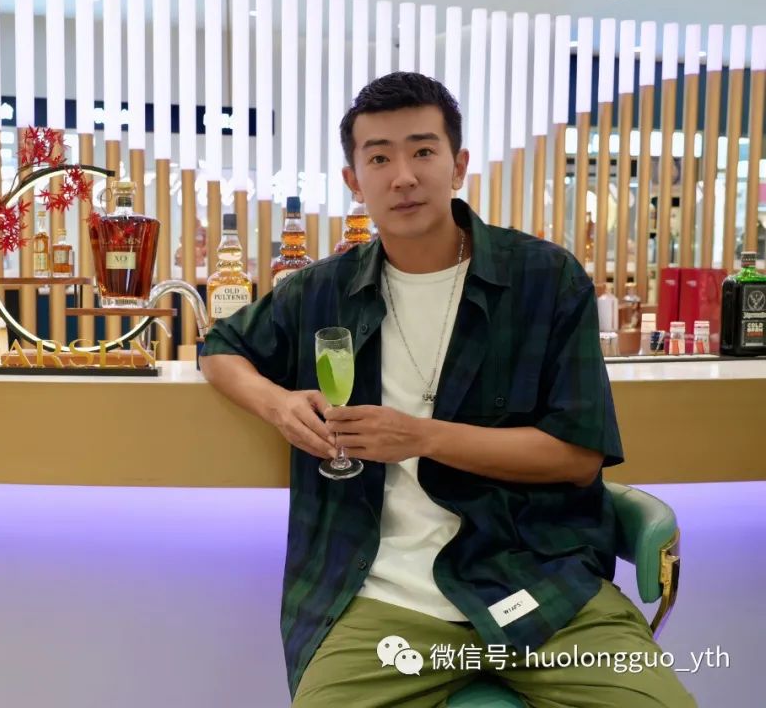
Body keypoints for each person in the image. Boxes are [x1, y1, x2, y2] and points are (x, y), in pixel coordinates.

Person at [199, 72, 695, 708]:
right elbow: (220, 349)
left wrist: (422, 437)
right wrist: (280, 404)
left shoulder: (544, 279)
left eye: (423, 151)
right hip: (378, 594)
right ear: (354, 181)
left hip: (536, 580)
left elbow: (576, 456)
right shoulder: (321, 290)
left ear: (457, 165)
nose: (403, 176)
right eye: (379, 158)